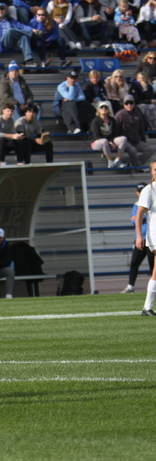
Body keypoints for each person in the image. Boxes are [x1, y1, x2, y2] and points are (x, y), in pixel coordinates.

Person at [122, 182, 154, 293]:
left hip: (152, 238)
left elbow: (138, 218)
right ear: (137, 193)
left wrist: (139, 216)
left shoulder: (152, 200)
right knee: (134, 262)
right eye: (139, 191)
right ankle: (131, 285)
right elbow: (135, 221)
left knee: (153, 265)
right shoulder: (137, 204)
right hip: (141, 239)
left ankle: (153, 287)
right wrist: (141, 216)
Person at [0, 3, 36, 67]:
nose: (0, 11)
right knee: (10, 30)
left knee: (23, 37)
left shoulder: (10, 20)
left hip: (14, 44)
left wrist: (32, 29)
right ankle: (31, 34)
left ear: (5, 10)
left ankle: (29, 60)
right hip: (2, 44)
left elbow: (22, 26)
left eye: (2, 9)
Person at [135, 161, 156, 315]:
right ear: (151, 172)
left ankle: (147, 307)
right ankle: (147, 307)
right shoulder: (149, 190)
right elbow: (139, 214)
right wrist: (139, 236)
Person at [90, 100, 131, 167]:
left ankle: (117, 159)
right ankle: (110, 161)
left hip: (109, 141)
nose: (104, 109)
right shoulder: (95, 121)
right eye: (101, 107)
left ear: (108, 110)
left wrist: (111, 141)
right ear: (98, 110)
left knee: (123, 138)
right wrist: (109, 142)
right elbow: (96, 135)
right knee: (104, 141)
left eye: (106, 108)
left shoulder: (112, 120)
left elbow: (115, 133)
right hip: (97, 142)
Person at [116, 94, 152, 167]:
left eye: (131, 103)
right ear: (123, 104)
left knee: (151, 149)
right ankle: (138, 167)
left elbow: (141, 129)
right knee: (133, 150)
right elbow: (115, 130)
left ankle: (131, 163)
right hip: (125, 142)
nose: (129, 105)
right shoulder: (119, 115)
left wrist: (143, 140)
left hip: (136, 140)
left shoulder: (138, 114)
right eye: (127, 103)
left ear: (134, 104)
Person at [53, 69, 93, 134]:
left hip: (72, 105)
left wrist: (73, 99)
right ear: (67, 78)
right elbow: (69, 97)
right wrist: (71, 87)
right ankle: (76, 126)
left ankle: (89, 126)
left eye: (75, 78)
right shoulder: (61, 86)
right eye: (71, 78)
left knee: (86, 104)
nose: (73, 80)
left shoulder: (77, 85)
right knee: (68, 103)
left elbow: (82, 97)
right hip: (58, 106)